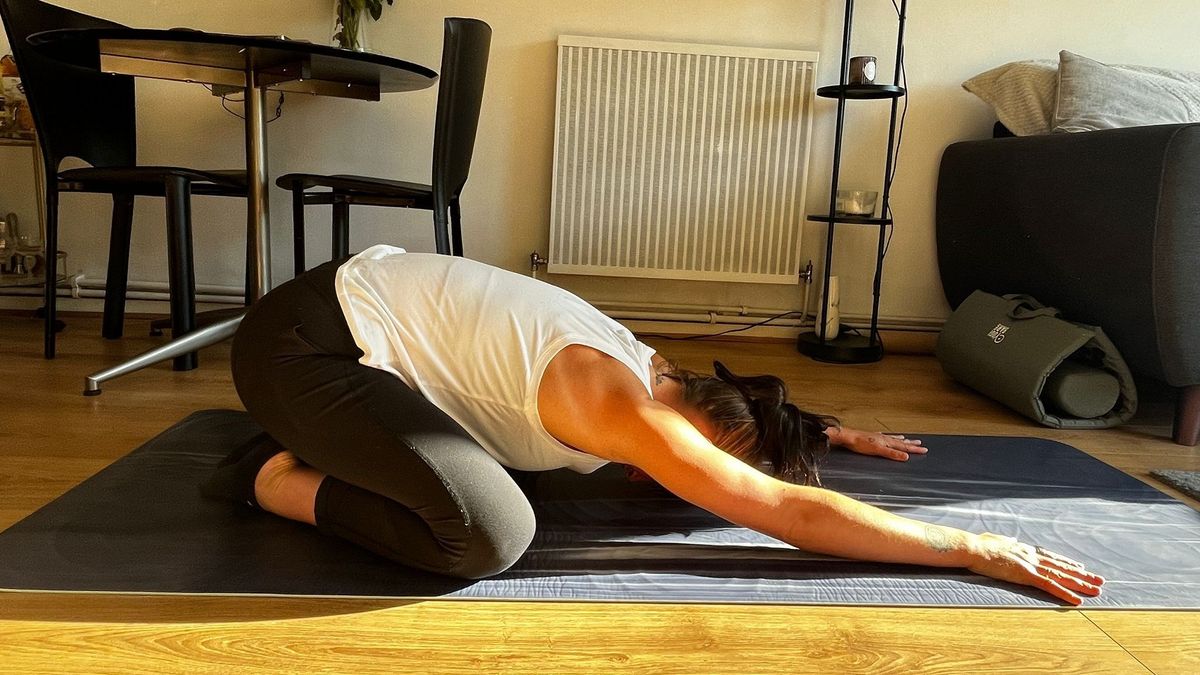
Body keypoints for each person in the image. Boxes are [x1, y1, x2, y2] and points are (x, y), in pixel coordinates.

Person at [202, 245, 1104, 605]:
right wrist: (969, 545)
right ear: (688, 432)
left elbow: (748, 400)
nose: (666, 477)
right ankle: (270, 476)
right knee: (491, 532)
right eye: (689, 464)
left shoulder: (654, 363)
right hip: (301, 350)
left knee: (541, 476)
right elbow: (781, 511)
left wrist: (827, 431)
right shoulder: (619, 399)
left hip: (348, 323)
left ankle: (316, 444)